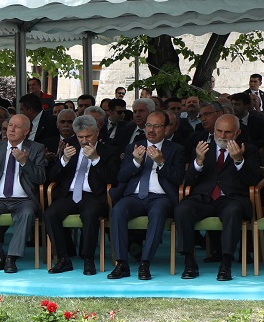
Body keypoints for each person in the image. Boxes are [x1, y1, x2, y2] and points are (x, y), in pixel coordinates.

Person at [175, 114, 260, 281]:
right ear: (214, 130)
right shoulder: (203, 148)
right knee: (182, 209)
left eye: (228, 132)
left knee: (232, 211)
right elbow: (188, 181)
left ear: (237, 132)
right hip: (204, 198)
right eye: (219, 131)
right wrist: (198, 161)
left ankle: (226, 264)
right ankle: (189, 262)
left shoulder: (248, 149)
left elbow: (253, 180)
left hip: (231, 198)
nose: (222, 136)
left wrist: (239, 161)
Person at [108, 110, 186, 280]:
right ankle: (121, 263)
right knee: (118, 209)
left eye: (156, 126)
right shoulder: (134, 147)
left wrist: (161, 162)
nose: (151, 130)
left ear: (166, 129)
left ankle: (145, 263)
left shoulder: (176, 149)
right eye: (148, 125)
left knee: (158, 213)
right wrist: (135, 162)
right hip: (134, 196)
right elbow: (121, 177)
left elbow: (179, 178)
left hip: (160, 197)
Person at [46, 115, 120, 275]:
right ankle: (63, 258)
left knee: (90, 214)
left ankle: (88, 259)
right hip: (70, 194)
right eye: (80, 137)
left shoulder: (109, 151)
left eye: (88, 136)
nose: (84, 141)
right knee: (50, 214)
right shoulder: (69, 146)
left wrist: (96, 159)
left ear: (97, 132)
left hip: (94, 195)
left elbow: (112, 179)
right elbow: (52, 176)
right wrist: (64, 159)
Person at [0, 114, 48, 273]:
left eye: (17, 127)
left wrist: (25, 162)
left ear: (26, 131)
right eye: (10, 125)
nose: (11, 129)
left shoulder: (36, 148)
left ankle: (11, 258)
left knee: (27, 213)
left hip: (24, 199)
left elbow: (40, 178)